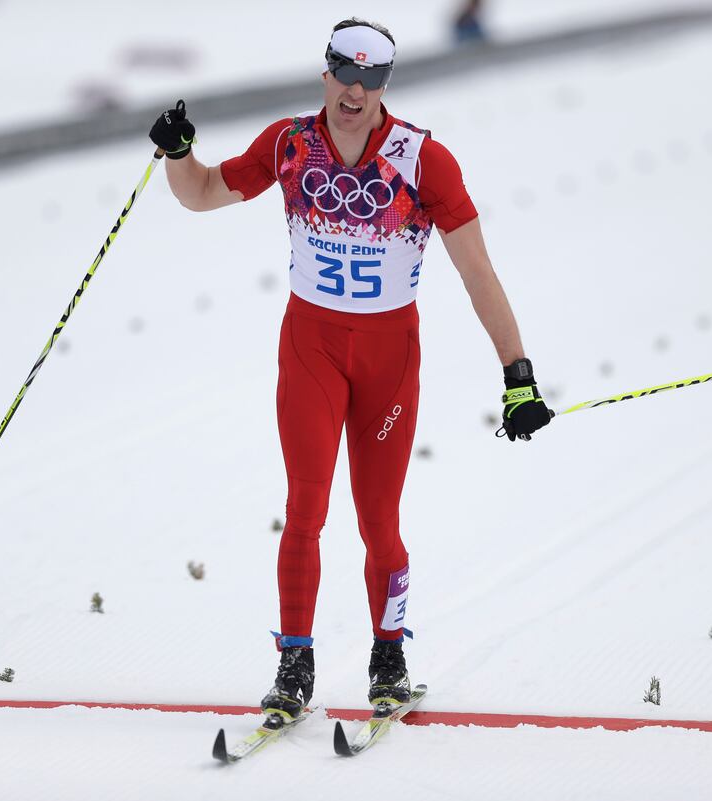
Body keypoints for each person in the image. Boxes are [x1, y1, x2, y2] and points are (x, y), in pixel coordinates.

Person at [149, 17, 553, 720]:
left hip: (388, 361)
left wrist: (517, 372)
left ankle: (388, 654)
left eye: (372, 78)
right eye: (346, 72)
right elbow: (204, 191)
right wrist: (179, 154)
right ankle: (294, 662)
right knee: (304, 508)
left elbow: (477, 271)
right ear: (326, 73)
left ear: (385, 85)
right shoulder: (290, 143)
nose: (356, 90)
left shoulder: (424, 160)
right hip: (311, 349)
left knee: (379, 521)